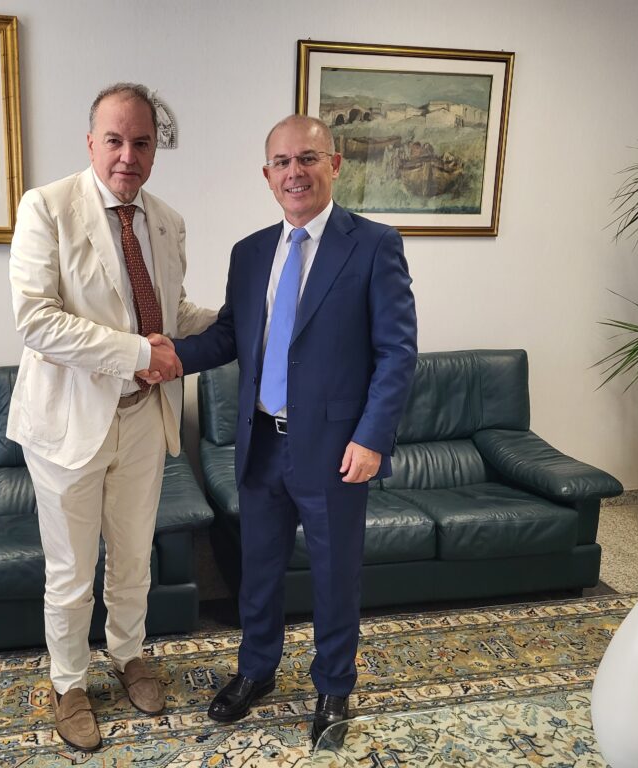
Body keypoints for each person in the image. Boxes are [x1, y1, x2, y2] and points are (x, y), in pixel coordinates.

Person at [171, 114, 417, 746]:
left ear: (334, 164)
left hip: (336, 449)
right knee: (258, 570)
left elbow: (396, 352)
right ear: (267, 174)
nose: (295, 172)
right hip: (260, 441)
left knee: (335, 575)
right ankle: (256, 671)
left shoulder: (374, 245)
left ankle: (333, 685)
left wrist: (373, 437)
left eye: (308, 158)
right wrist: (168, 357)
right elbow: (231, 335)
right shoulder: (251, 252)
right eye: (282, 162)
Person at [7, 82, 215, 752]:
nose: (129, 155)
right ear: (91, 141)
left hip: (144, 417)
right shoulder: (47, 207)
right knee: (71, 570)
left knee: (132, 557)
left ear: (155, 149)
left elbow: (172, 315)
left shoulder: (167, 221)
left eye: (142, 142)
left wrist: (242, 318)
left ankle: (129, 655)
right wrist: (139, 354)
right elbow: (37, 320)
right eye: (116, 140)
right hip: (68, 423)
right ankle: (68, 683)